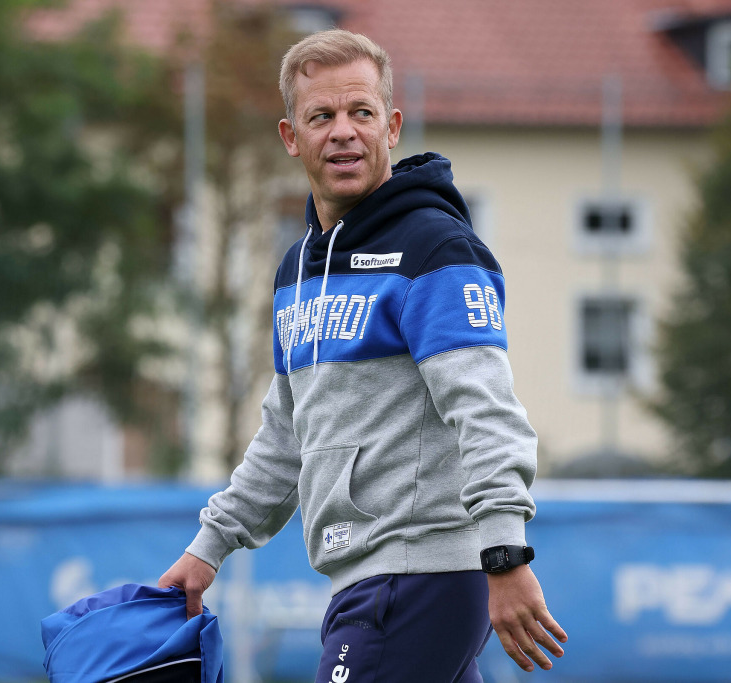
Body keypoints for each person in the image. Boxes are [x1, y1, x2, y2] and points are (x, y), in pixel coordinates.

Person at [158, 28, 567, 681]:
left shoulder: (435, 249)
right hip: (367, 577)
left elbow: (487, 412)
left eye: (361, 112)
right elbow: (285, 437)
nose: (343, 131)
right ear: (292, 137)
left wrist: (505, 554)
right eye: (322, 116)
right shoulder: (296, 269)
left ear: (391, 127)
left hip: (419, 574)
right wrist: (208, 549)